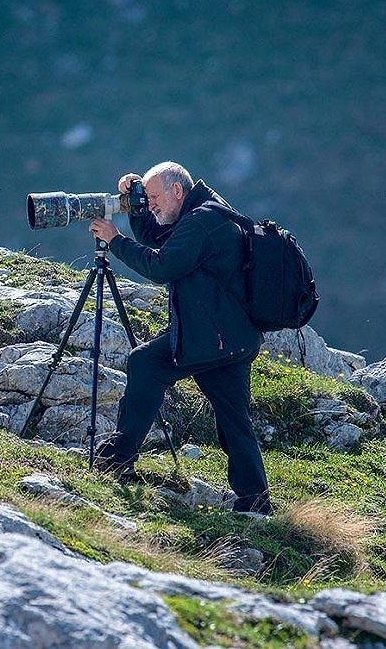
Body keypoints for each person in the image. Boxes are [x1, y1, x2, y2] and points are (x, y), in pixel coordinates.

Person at [88, 161, 272, 516]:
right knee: (234, 418)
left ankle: (117, 459)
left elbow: (162, 266)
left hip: (209, 339)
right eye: (150, 198)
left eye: (156, 197)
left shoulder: (200, 223)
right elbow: (158, 237)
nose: (153, 204)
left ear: (177, 191)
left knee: (145, 363)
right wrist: (138, 203)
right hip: (233, 339)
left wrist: (115, 240)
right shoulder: (205, 210)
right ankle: (255, 502)